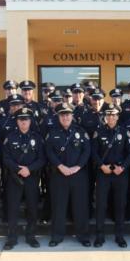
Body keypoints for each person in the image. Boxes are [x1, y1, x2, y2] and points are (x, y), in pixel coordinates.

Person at [45, 103, 91, 247]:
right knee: (59, 207)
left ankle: (83, 236)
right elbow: (49, 151)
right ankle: (57, 236)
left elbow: (87, 151)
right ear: (58, 116)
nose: (65, 117)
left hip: (78, 175)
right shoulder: (52, 132)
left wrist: (78, 167)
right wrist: (60, 166)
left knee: (80, 207)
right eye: (62, 115)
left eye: (68, 114)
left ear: (72, 116)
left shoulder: (81, 131)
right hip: (59, 174)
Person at [91, 103, 130, 248]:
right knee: (101, 205)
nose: (111, 117)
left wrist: (122, 167)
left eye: (114, 114)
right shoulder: (99, 131)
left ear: (117, 116)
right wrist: (101, 166)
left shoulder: (124, 132)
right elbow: (93, 152)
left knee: (120, 205)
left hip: (119, 173)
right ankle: (99, 236)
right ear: (105, 116)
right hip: (103, 172)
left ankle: (119, 236)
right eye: (108, 114)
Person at [2, 108, 46, 250]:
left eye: (26, 119)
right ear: (17, 121)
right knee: (13, 208)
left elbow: (42, 158)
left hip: (32, 178)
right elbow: (5, 157)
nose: (23, 122)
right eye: (21, 119)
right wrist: (18, 169)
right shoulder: (10, 137)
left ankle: (31, 236)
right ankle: (12, 238)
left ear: (30, 121)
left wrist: (29, 169)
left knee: (32, 208)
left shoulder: (37, 138)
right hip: (14, 178)